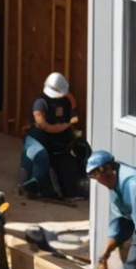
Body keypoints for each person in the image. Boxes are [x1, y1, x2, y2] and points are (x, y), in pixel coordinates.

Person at [19, 72, 85, 200]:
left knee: (71, 157)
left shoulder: (66, 101)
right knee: (39, 154)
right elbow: (43, 125)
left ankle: (72, 191)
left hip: (60, 138)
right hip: (38, 137)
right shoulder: (40, 103)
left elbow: (73, 119)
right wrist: (65, 125)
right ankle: (34, 187)